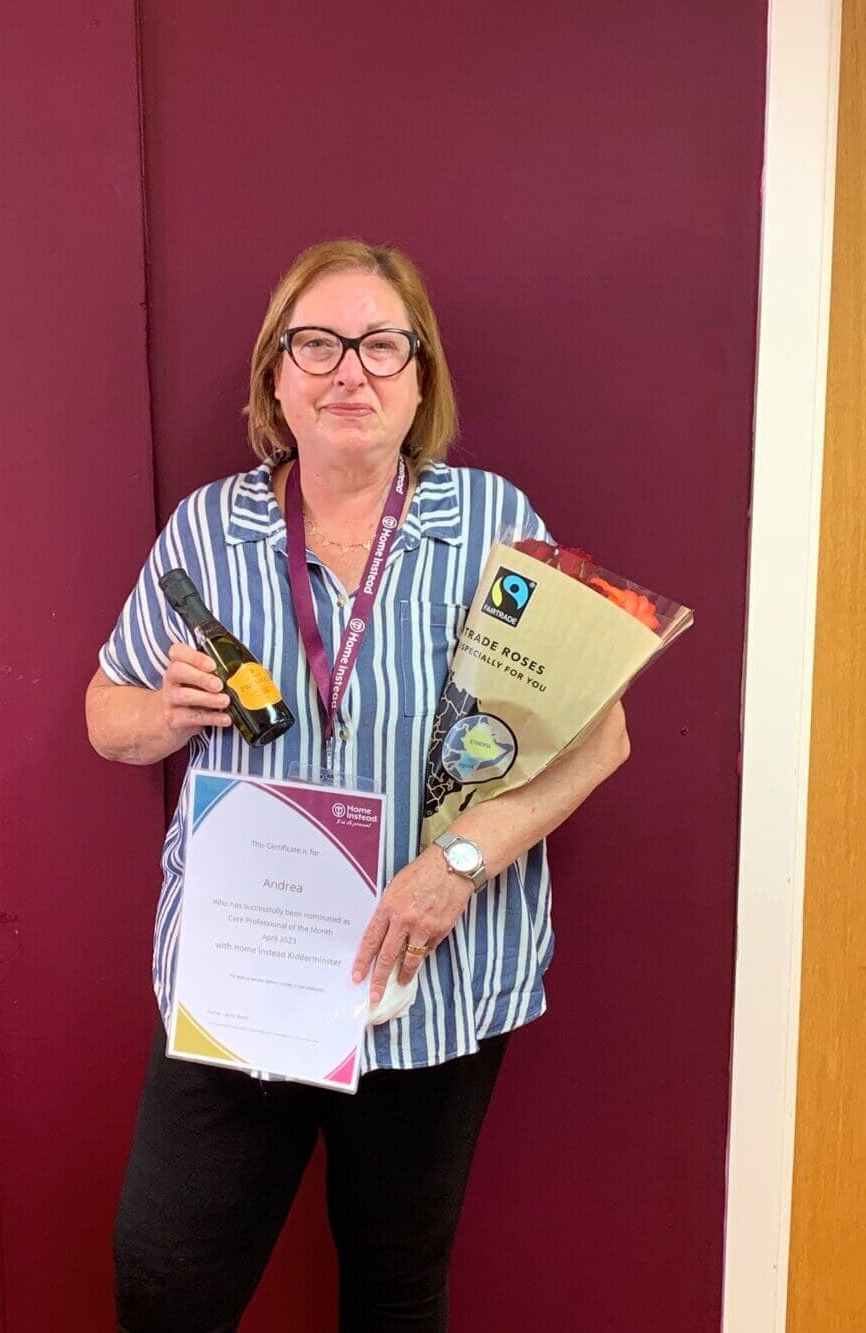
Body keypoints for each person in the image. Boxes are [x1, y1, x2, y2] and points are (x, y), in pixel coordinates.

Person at [86, 239, 630, 1333]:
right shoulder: (209, 530)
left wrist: (460, 863)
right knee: (165, 1282)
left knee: (394, 1291)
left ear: (419, 379)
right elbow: (107, 715)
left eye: (383, 344)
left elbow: (601, 734)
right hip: (249, 969)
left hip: (429, 978)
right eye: (318, 344)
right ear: (276, 377)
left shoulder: (492, 523)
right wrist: (167, 713)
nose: (350, 371)